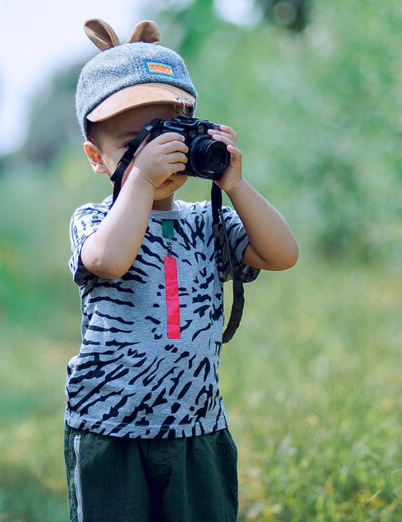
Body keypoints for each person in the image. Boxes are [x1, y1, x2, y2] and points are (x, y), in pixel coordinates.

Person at [64, 18, 298, 521]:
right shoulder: (95, 221)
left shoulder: (205, 222)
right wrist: (141, 183)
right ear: (95, 157)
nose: (155, 156)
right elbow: (109, 259)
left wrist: (234, 183)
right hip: (109, 429)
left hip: (197, 428)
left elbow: (282, 254)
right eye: (134, 144)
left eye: (168, 136)